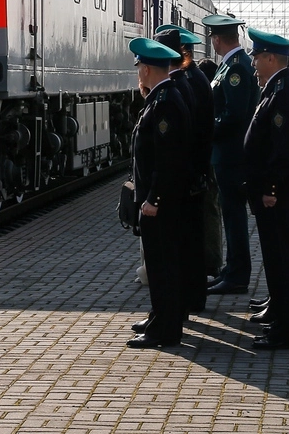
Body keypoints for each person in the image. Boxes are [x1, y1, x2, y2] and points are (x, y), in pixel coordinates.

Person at [243, 29, 289, 350]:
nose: (254, 64)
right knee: (283, 260)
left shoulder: (284, 91)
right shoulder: (279, 88)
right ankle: (284, 323)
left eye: (257, 58)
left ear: (271, 58)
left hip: (280, 195)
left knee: (284, 261)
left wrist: (271, 187)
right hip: (282, 193)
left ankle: (287, 332)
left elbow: (286, 149)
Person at [126, 37, 192, 349]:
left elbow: (168, 159)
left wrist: (154, 198)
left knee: (162, 265)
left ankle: (165, 330)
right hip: (160, 201)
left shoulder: (165, 103)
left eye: (140, 66)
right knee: (162, 264)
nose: (138, 71)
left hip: (160, 204)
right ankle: (162, 318)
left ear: (149, 69)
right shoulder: (160, 98)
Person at [155, 26, 214, 314]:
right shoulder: (195, 79)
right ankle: (193, 297)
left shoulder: (180, 85)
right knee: (192, 241)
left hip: (187, 176)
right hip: (195, 174)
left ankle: (185, 301)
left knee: (183, 244)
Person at [202, 14, 259, 295]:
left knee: (235, 217)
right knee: (231, 215)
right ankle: (232, 269)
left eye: (212, 37)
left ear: (216, 39)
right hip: (228, 154)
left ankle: (237, 275)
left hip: (232, 155)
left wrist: (206, 129)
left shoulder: (235, 68)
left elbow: (234, 115)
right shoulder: (231, 67)